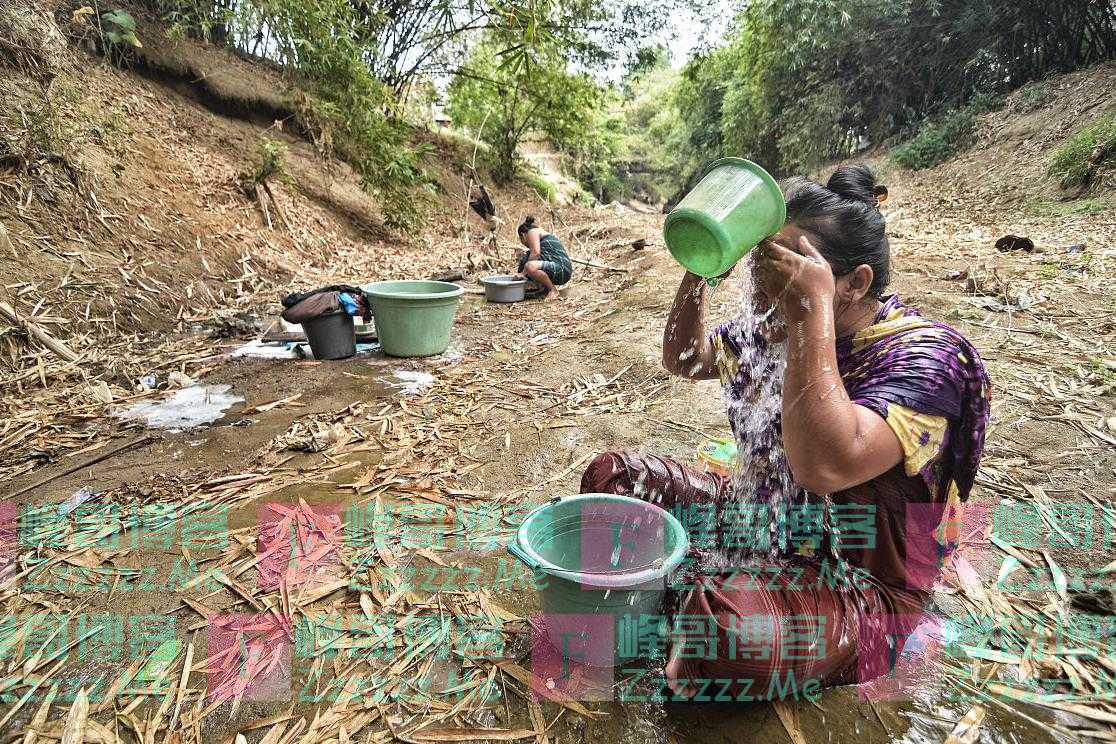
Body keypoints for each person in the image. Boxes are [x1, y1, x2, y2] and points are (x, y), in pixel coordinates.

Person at [580, 164, 991, 698]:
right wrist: (704, 266)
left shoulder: (927, 359)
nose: (770, 275)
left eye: (792, 260)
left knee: (724, 633)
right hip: (767, 516)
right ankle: (709, 592)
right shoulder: (772, 327)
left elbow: (825, 465)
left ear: (855, 283)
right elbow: (686, 357)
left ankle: (704, 601)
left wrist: (807, 312)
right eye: (765, 255)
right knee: (615, 481)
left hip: (862, 582)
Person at [517, 216, 573, 301]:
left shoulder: (532, 232)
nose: (524, 244)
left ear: (523, 235)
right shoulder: (541, 234)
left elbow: (536, 253)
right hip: (562, 270)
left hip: (562, 268)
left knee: (529, 266)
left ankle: (553, 290)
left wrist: (523, 273)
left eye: (521, 240)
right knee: (526, 261)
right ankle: (544, 289)